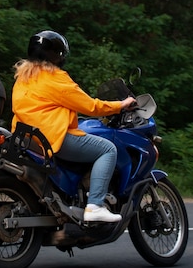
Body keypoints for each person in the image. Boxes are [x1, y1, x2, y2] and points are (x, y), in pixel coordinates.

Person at [11, 30, 136, 223]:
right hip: (52, 137)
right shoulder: (56, 78)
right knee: (108, 149)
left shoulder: (23, 77)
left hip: (28, 138)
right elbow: (91, 106)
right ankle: (95, 205)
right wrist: (120, 105)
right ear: (57, 55)